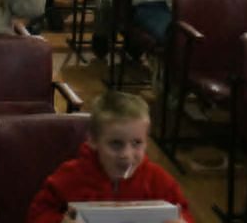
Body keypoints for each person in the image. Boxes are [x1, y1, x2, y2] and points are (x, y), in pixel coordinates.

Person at [27, 91, 193, 223]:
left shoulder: (159, 181)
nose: (126, 155)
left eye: (137, 143)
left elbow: (183, 212)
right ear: (93, 140)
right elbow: (37, 214)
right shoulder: (71, 176)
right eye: (115, 144)